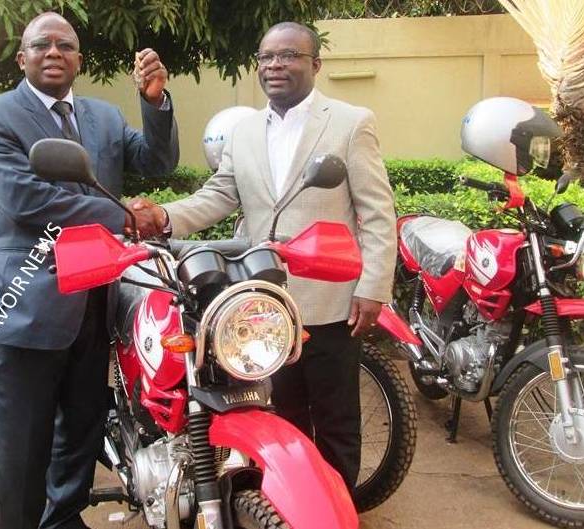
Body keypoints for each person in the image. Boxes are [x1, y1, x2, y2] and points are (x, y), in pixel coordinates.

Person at [130, 21, 396, 493]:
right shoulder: (245, 129)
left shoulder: (351, 122)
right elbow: (219, 194)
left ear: (315, 64)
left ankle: (335, 511)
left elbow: (377, 213)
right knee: (279, 421)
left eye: (289, 55)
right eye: (267, 57)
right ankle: (285, 509)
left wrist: (372, 288)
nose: (276, 65)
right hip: (262, 308)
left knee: (335, 422)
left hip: (329, 302)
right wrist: (163, 217)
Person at [0, 11, 178, 529]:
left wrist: (154, 103)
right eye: (42, 44)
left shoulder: (102, 116)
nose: (54, 52)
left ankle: (62, 520)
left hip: (93, 301)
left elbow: (157, 163)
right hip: (24, 304)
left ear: (80, 59)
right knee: (25, 449)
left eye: (65, 45)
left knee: (81, 434)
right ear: (22, 58)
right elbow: (25, 198)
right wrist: (123, 216)